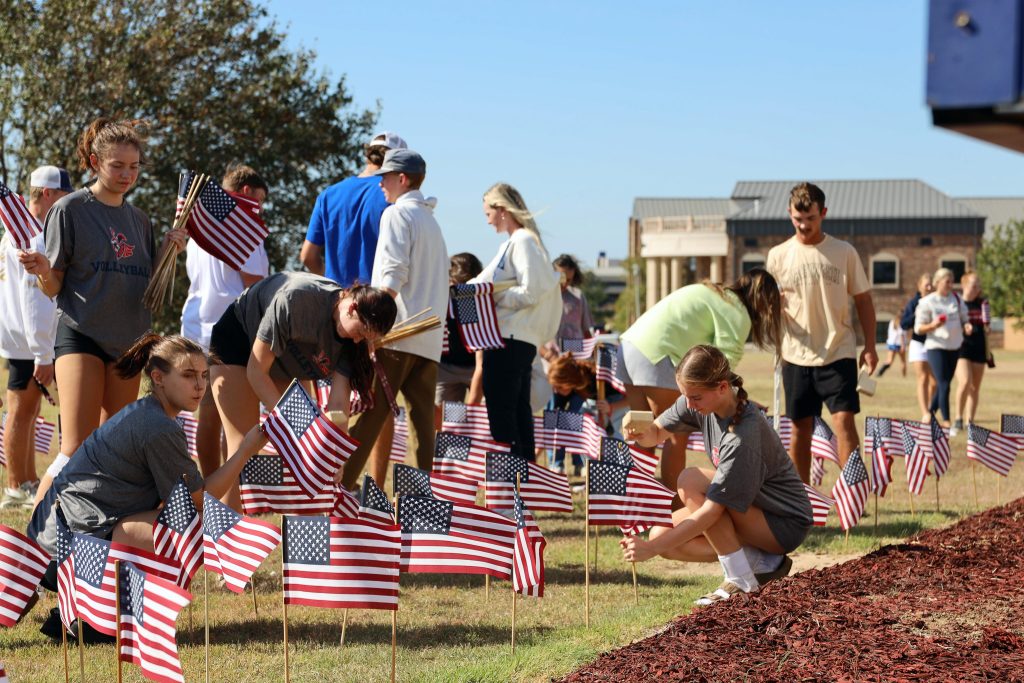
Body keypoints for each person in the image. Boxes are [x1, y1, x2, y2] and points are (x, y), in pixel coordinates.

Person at [19, 118, 188, 507]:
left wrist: (168, 251)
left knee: (114, 446)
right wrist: (45, 271)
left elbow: (145, 286)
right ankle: (34, 539)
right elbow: (55, 286)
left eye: (134, 166)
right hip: (81, 333)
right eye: (118, 165)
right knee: (75, 446)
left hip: (130, 342)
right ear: (95, 162)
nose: (127, 174)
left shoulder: (140, 219)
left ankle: (92, 533)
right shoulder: (70, 209)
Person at [621, 345, 812, 605]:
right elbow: (656, 433)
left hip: (783, 523)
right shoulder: (697, 400)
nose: (688, 404)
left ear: (722, 387)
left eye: (695, 397)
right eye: (685, 396)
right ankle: (761, 560)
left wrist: (651, 551)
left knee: (690, 483)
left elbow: (710, 513)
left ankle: (741, 580)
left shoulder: (742, 435)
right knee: (662, 535)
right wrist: (638, 431)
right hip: (754, 509)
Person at [209, 272, 397, 504]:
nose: (358, 341)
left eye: (365, 339)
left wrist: (334, 457)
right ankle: (226, 534)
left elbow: (338, 407)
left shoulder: (352, 345)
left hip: (282, 363)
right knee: (243, 445)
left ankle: (301, 529)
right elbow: (256, 371)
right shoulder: (298, 299)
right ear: (352, 308)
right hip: (239, 340)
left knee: (298, 457)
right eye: (359, 332)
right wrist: (295, 430)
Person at [616, 269, 782, 491]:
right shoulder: (737, 311)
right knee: (675, 432)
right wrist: (739, 401)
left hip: (629, 345)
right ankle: (674, 507)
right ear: (763, 299)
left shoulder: (717, 294)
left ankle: (638, 503)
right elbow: (723, 363)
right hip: (656, 352)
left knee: (643, 431)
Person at [341, 149, 449, 489]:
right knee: (423, 426)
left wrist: (370, 328)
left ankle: (340, 489)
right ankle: (423, 500)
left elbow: (390, 280)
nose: (380, 185)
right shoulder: (431, 222)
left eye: (385, 178)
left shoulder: (398, 215)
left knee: (372, 414)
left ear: (402, 179)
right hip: (427, 338)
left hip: (396, 332)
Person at [766, 182, 877, 483]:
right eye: (797, 219)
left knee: (843, 421)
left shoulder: (844, 252)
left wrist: (870, 345)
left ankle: (852, 492)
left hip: (838, 350)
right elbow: (770, 305)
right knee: (800, 428)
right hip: (796, 354)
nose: (803, 225)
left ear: (823, 213)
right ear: (789, 213)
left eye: (810, 219)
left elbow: (864, 299)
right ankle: (802, 499)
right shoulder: (777, 256)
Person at [180, 164, 270, 477]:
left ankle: (210, 483)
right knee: (234, 424)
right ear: (246, 191)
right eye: (259, 200)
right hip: (231, 333)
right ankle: (230, 492)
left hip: (195, 327)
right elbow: (256, 283)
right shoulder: (243, 225)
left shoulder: (199, 227)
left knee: (207, 419)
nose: (259, 209)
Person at [470, 183, 561, 459]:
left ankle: (509, 489)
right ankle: (522, 487)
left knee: (503, 416)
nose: (486, 219)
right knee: (518, 413)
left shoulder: (522, 240)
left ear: (502, 210)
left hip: (509, 338)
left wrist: (494, 297)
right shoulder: (519, 241)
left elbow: (531, 290)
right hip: (513, 339)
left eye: (488, 212)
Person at [0, 166, 69, 508]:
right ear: (47, 194)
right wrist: (44, 353)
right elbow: (34, 298)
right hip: (29, 341)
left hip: (18, 337)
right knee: (22, 411)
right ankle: (16, 485)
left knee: (24, 411)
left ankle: (23, 481)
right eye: (62, 195)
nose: (65, 202)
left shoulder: (13, 234)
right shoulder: (32, 236)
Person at [300, 131, 408, 285]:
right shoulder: (393, 194)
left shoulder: (328, 195)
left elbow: (307, 256)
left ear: (367, 156)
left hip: (339, 303)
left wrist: (334, 284)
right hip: (379, 300)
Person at [544, 353, 620, 475]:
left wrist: (611, 406)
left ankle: (604, 468)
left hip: (615, 401)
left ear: (569, 380)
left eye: (558, 386)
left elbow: (630, 397)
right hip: (596, 403)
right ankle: (586, 468)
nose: (556, 390)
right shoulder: (572, 386)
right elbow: (552, 420)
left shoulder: (596, 375)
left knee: (606, 434)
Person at [434, 252, 485, 428]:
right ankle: (452, 455)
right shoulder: (440, 299)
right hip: (446, 367)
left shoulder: (478, 305)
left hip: (476, 369)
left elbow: (482, 361)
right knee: (449, 424)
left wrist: (472, 408)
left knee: (481, 424)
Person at [915, 267, 971, 427]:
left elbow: (964, 317)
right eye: (947, 281)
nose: (950, 284)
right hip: (936, 346)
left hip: (954, 346)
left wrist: (966, 325)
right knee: (943, 383)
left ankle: (929, 415)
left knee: (943, 385)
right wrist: (933, 325)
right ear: (937, 282)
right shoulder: (927, 302)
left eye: (952, 281)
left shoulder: (956, 299)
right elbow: (918, 327)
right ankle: (946, 421)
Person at [953, 270, 990, 435]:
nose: (976, 289)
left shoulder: (983, 303)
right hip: (961, 346)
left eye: (978, 286)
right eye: (973, 285)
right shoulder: (956, 303)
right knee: (965, 381)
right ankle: (958, 418)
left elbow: (987, 326)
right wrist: (963, 327)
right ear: (964, 285)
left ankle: (970, 422)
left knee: (975, 387)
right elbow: (952, 324)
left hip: (979, 345)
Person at [900, 273, 936, 422]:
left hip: (934, 344)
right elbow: (904, 324)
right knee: (923, 378)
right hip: (918, 344)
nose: (929, 287)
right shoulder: (914, 302)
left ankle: (930, 408)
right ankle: (925, 413)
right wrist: (917, 313)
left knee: (935, 382)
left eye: (930, 285)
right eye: (926, 284)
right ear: (919, 286)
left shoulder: (936, 301)